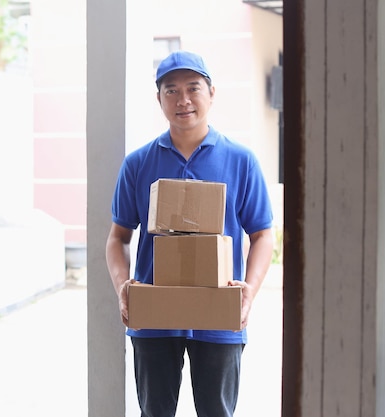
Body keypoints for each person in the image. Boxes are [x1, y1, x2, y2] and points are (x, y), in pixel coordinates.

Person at [105, 50, 275, 417]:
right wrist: (123, 286)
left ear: (212, 92)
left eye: (193, 88)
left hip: (218, 315)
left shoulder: (240, 160)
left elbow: (263, 234)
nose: (183, 99)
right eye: (171, 90)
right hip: (154, 319)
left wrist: (248, 293)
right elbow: (117, 237)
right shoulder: (138, 163)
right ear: (159, 99)